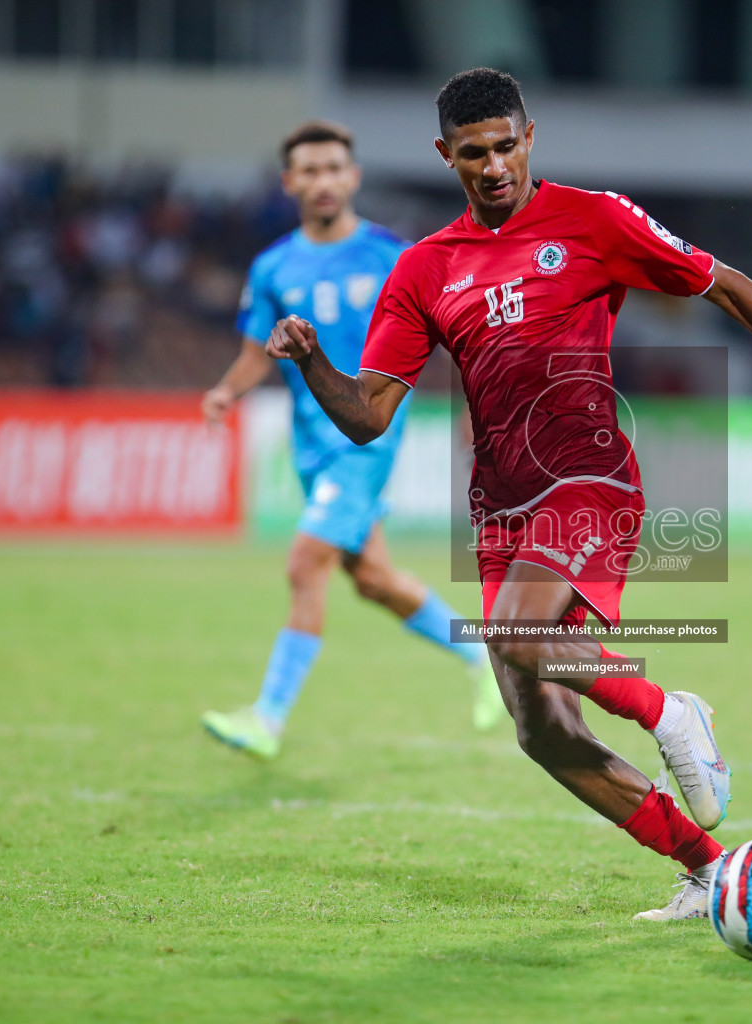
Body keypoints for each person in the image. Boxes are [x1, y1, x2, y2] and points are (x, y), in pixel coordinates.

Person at [265, 69, 752, 920]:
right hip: (499, 509)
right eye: (473, 153)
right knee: (543, 731)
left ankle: (671, 711)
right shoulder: (422, 270)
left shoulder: (595, 219)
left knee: (519, 636)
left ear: (530, 137)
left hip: (588, 480)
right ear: (445, 156)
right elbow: (369, 416)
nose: (493, 167)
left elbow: (728, 283)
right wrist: (312, 364)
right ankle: (708, 870)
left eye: (506, 146)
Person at [200, 120, 505, 762]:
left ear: (354, 176)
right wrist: (229, 391)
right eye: (308, 171)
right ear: (290, 183)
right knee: (373, 580)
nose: (323, 181)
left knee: (305, 561)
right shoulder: (273, 266)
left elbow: (454, 334)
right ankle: (482, 655)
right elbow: (259, 351)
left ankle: (268, 718)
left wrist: (474, 405)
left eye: (334, 168)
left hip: (365, 439)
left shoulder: (393, 257)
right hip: (312, 442)